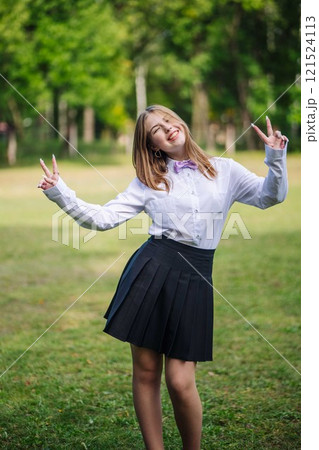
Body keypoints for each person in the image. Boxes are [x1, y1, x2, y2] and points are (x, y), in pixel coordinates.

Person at [38, 105, 288, 450]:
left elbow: (270, 197)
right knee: (146, 371)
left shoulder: (225, 170)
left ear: (181, 124)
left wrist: (275, 158)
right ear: (153, 144)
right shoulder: (149, 180)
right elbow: (103, 218)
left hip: (197, 276)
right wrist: (59, 191)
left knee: (180, 380)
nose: (167, 128)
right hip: (153, 270)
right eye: (157, 128)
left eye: (169, 121)